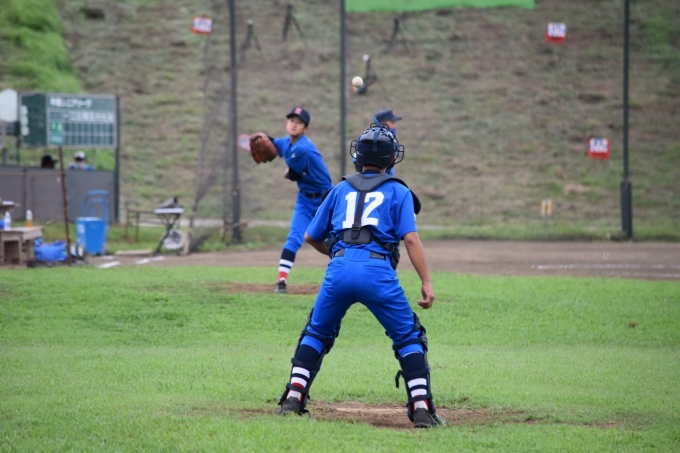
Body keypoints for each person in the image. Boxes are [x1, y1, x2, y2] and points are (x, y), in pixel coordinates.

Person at [277, 123, 445, 429]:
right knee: (408, 336)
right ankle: (421, 407)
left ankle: (293, 397)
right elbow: (410, 239)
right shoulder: (399, 190)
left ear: (359, 156)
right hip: (378, 271)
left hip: (339, 269)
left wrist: (339, 254)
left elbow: (311, 236)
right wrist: (427, 282)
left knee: (316, 333)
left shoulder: (340, 189)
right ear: (392, 158)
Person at [270, 107, 333, 293]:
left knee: (336, 239)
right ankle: (281, 281)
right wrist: (263, 139)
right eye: (292, 120)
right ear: (286, 123)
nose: (294, 124)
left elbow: (293, 174)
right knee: (294, 237)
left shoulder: (302, 148)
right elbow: (274, 143)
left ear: (305, 128)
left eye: (299, 122)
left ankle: (345, 277)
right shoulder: (287, 142)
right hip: (305, 199)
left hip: (326, 200)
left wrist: (287, 173)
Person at [354, 108, 402, 175]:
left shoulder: (390, 142)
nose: (395, 126)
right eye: (392, 122)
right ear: (382, 123)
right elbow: (356, 159)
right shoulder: (368, 141)